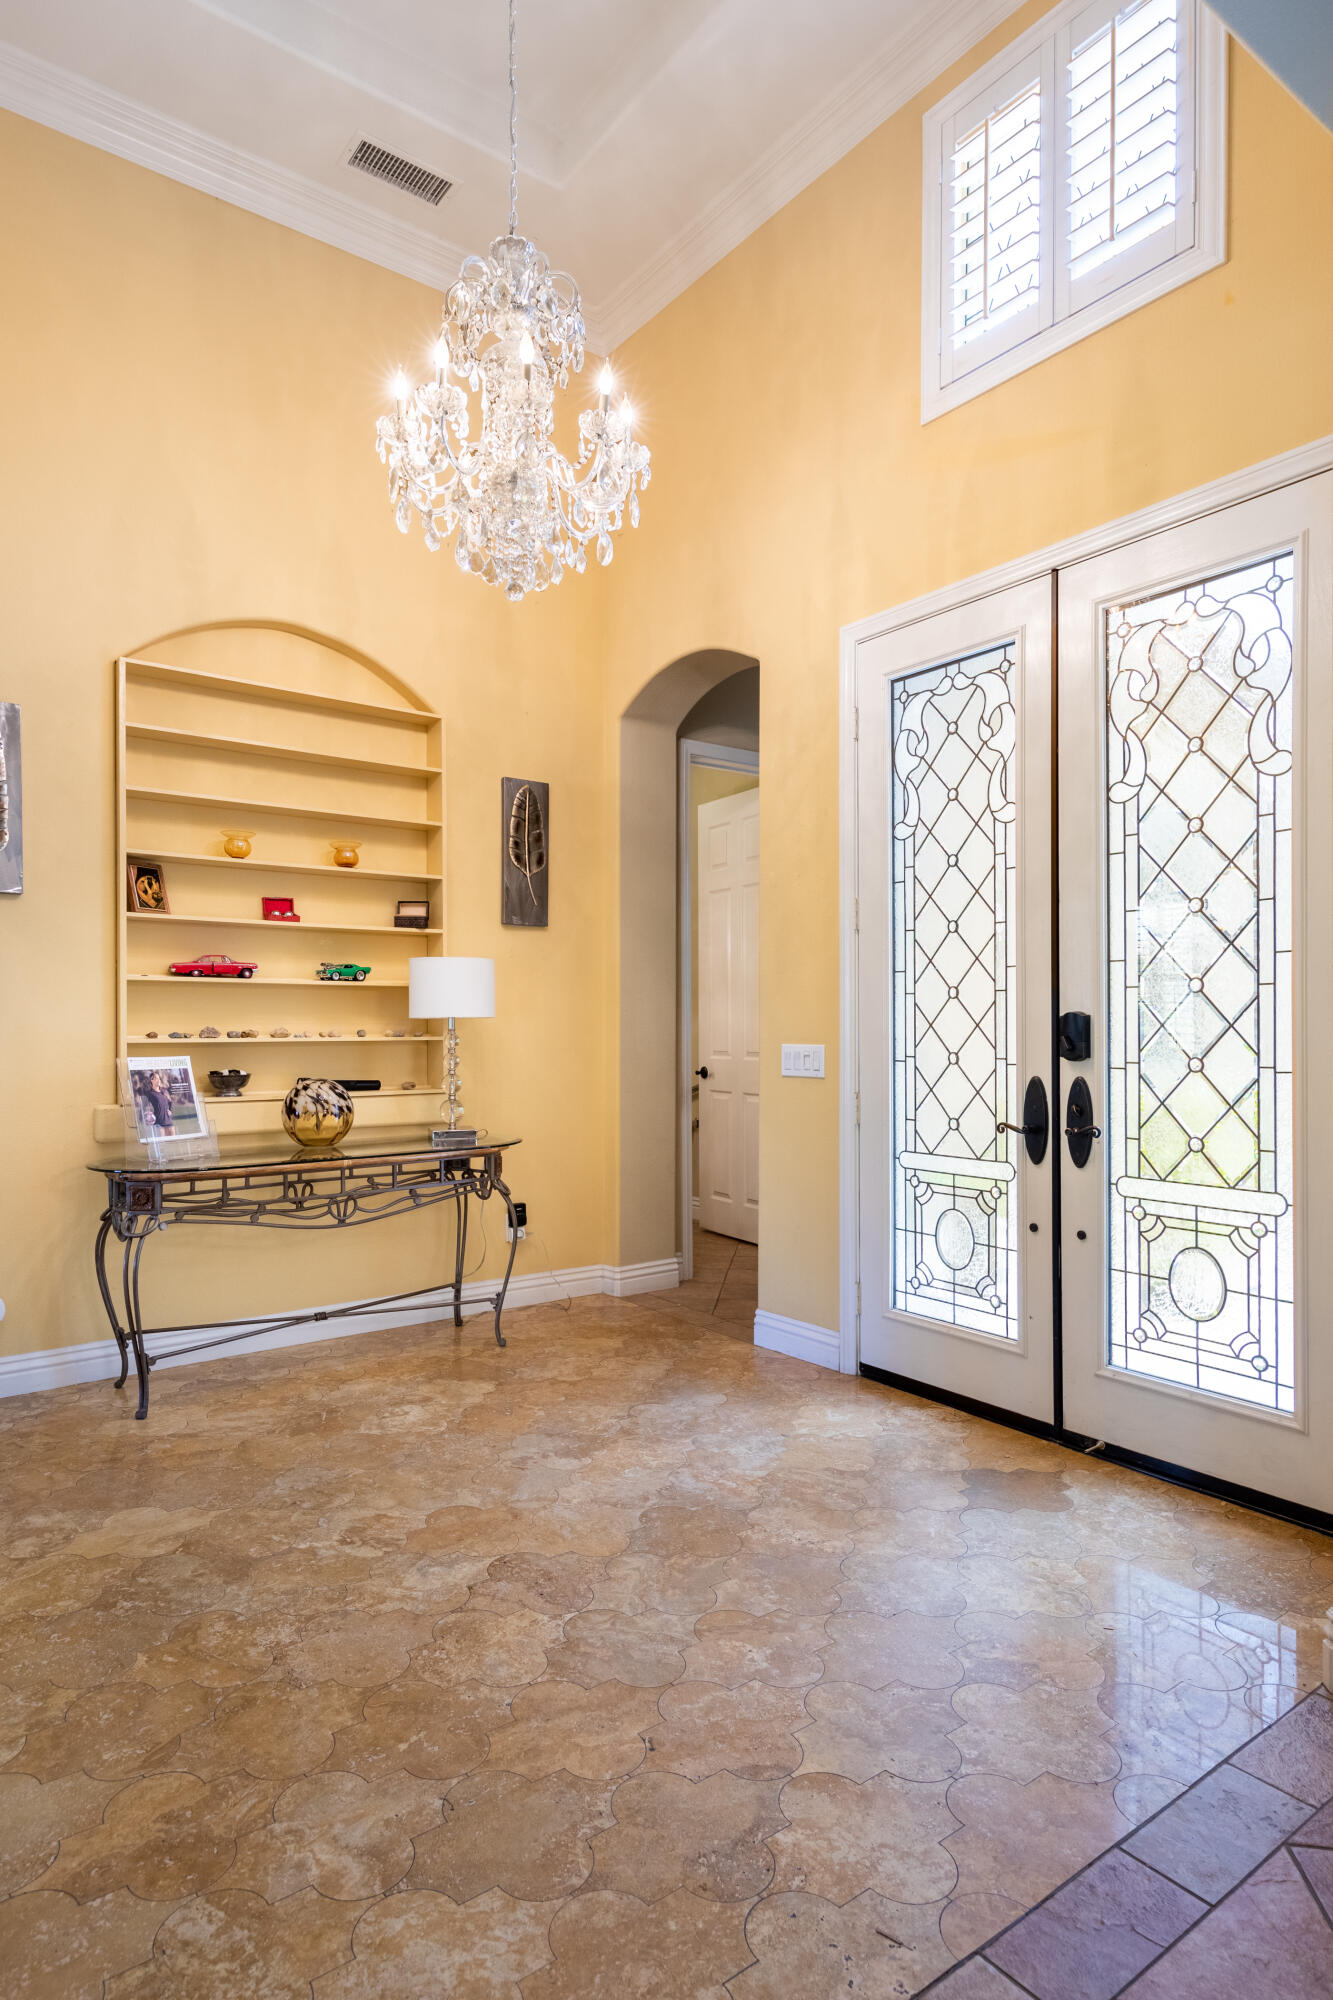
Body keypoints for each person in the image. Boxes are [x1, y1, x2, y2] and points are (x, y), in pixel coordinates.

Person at [136, 1069, 175, 1137]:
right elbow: (143, 1107)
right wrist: (143, 1118)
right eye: (156, 1078)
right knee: (162, 1145)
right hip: (158, 1123)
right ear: (151, 1080)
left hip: (169, 1121)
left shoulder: (164, 1091)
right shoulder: (150, 1093)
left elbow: (170, 1102)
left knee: (174, 1143)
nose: (159, 1080)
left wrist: (170, 1110)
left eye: (159, 1078)